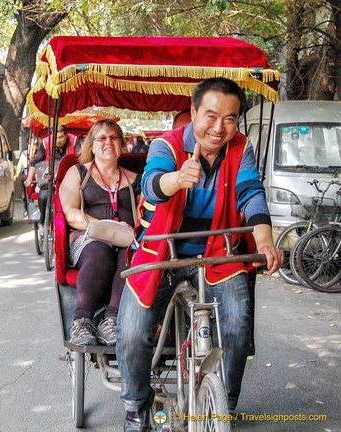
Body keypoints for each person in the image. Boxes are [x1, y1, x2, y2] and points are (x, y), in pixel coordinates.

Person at [116, 77, 284, 431]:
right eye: (210, 116)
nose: (218, 128)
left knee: (238, 329)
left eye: (229, 118)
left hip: (218, 254)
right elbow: (152, 182)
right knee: (132, 333)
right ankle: (135, 408)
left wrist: (265, 240)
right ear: (192, 113)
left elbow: (251, 193)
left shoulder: (240, 147)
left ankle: (225, 405)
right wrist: (175, 179)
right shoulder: (168, 144)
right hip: (162, 252)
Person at [59, 119, 142, 346]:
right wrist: (104, 228)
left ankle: (112, 320)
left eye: (114, 138)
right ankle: (81, 321)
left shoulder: (135, 179)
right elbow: (70, 213)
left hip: (127, 239)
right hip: (89, 237)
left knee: (131, 258)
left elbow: (145, 214)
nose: (108, 143)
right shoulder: (77, 173)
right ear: (92, 145)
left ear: (122, 144)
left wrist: (130, 232)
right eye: (102, 138)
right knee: (100, 253)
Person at [24, 125, 81, 229]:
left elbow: (80, 159)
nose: (57, 141)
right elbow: (35, 163)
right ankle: (44, 223)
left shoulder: (74, 141)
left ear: (66, 135)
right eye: (55, 138)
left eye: (60, 137)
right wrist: (29, 179)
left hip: (70, 179)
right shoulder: (45, 143)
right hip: (50, 179)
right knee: (43, 197)